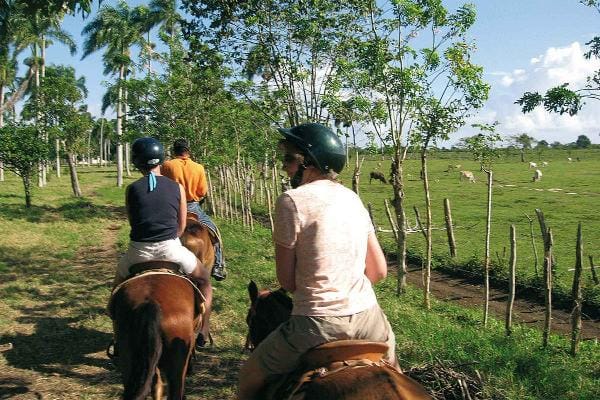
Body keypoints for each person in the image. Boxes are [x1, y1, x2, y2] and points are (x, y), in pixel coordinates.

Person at [237, 123, 398, 400]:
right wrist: (344, 286)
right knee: (396, 377)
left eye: (289, 158)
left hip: (315, 325)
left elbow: (287, 281)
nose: (284, 166)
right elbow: (379, 270)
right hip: (370, 320)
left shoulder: (291, 201)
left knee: (249, 377)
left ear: (308, 164)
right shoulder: (353, 198)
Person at [113, 137, 212, 343]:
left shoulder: (131, 189)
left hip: (138, 252)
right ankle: (203, 329)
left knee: (115, 293)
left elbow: (133, 222)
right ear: (160, 160)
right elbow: (181, 226)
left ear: (137, 162)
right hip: (171, 249)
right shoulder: (177, 188)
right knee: (204, 280)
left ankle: (118, 336)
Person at [162, 139, 227, 281]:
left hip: (172, 207)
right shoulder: (198, 167)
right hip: (192, 206)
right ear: (188, 151)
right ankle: (218, 266)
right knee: (215, 232)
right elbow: (203, 191)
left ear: (174, 151)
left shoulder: (167, 165)